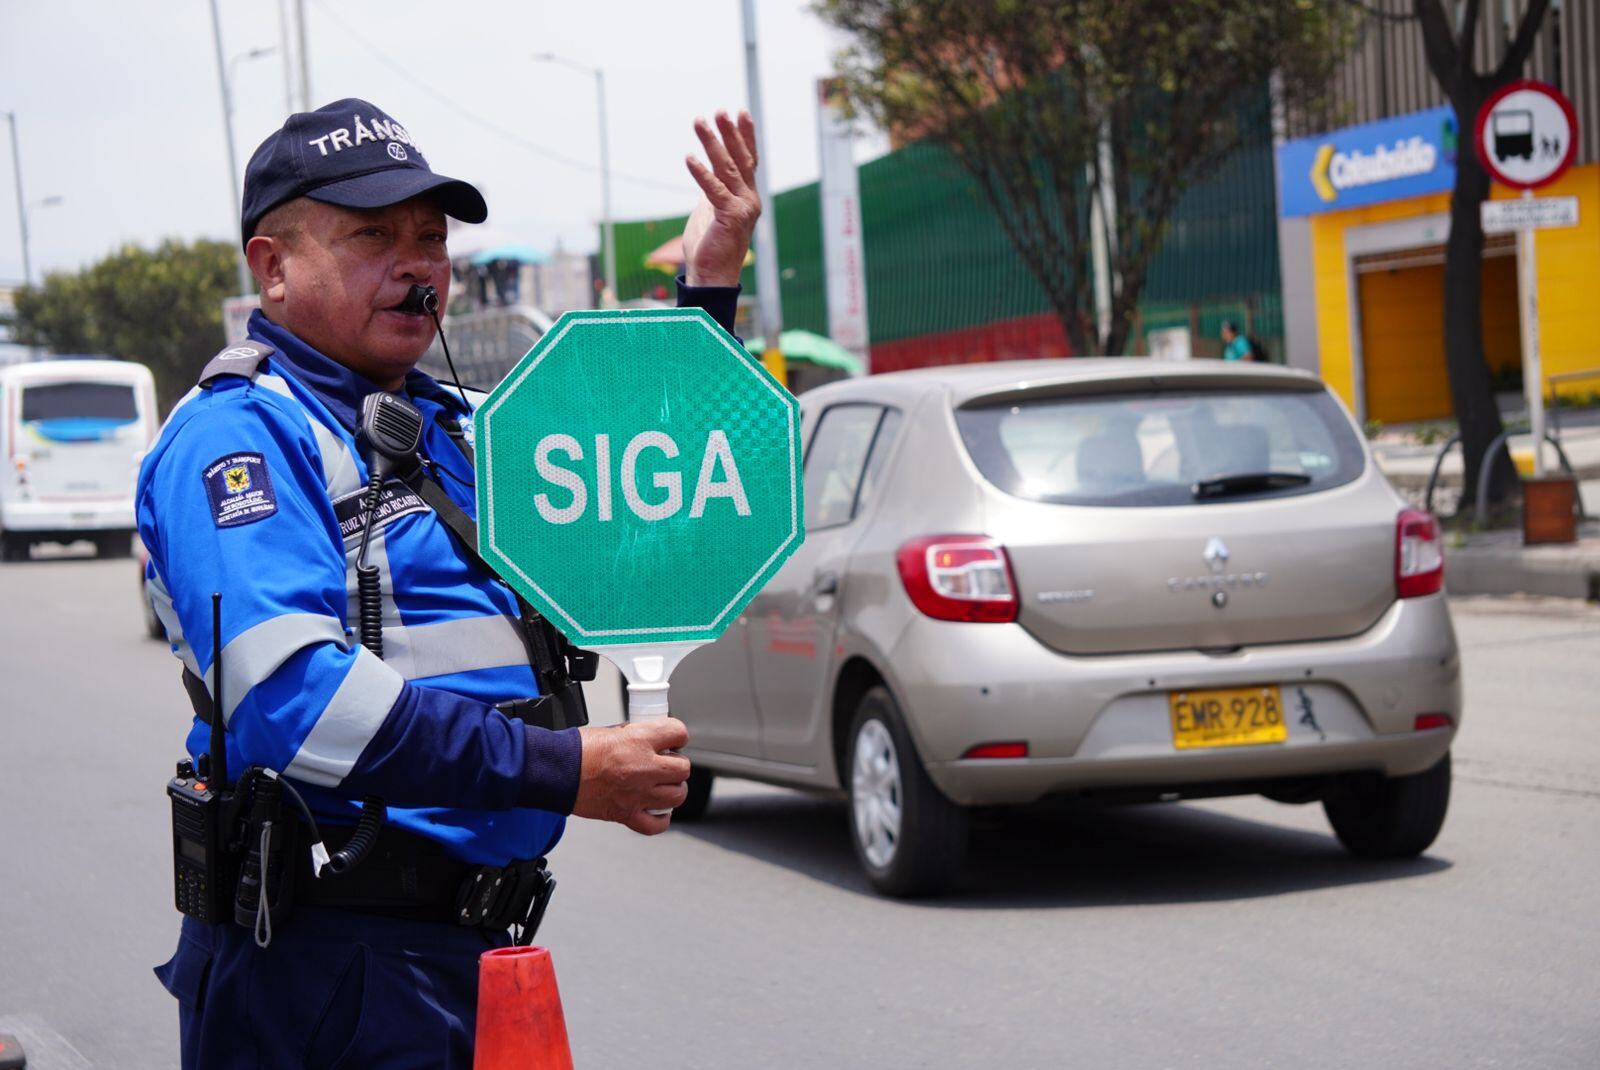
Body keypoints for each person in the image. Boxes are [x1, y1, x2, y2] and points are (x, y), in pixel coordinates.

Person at [140, 98, 763, 1068]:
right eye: (371, 237)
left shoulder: (456, 419)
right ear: (274, 266)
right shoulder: (239, 436)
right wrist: (566, 769)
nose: (416, 261)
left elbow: (659, 480)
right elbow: (288, 702)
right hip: (323, 964)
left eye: (430, 236)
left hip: (464, 949)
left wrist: (710, 280)